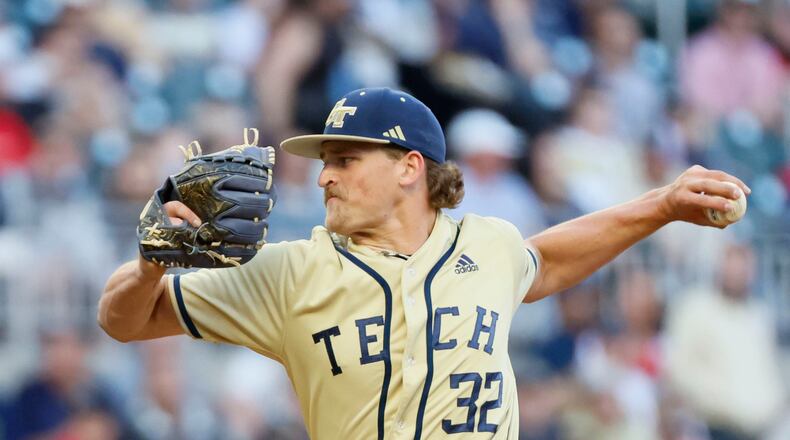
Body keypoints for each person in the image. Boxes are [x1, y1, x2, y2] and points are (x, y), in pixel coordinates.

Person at [98, 87, 749, 439]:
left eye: (346, 160)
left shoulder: (488, 246)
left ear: (411, 168)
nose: (324, 177)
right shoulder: (288, 270)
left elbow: (546, 261)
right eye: (325, 162)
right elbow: (124, 320)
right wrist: (153, 263)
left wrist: (661, 206)